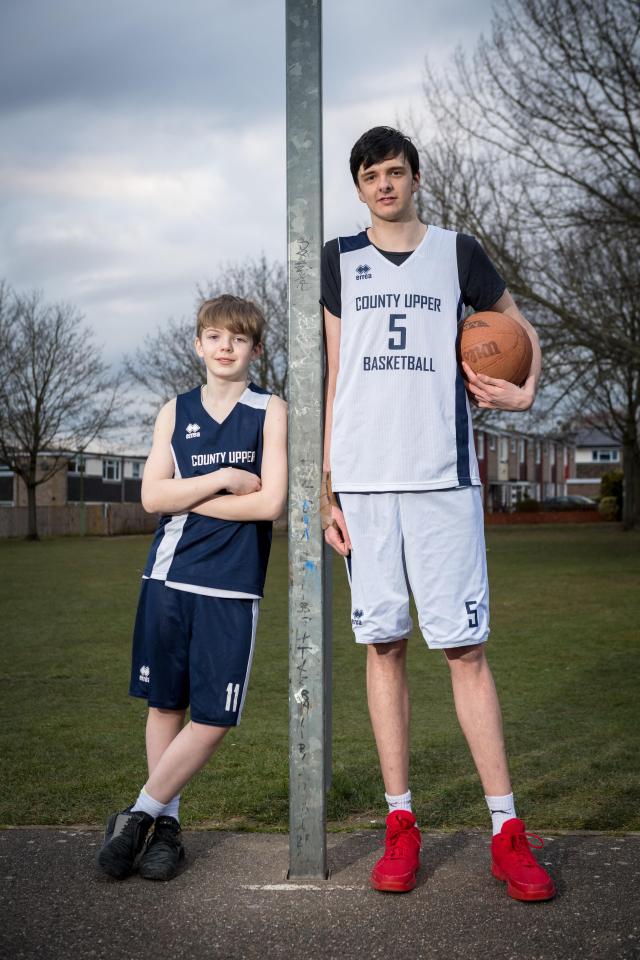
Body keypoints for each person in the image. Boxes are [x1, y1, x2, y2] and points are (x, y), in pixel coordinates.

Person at [320, 126, 555, 900]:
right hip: (362, 476)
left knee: (464, 650)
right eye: (369, 175)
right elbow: (334, 375)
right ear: (358, 188)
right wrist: (324, 487)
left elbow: (523, 332)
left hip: (441, 474)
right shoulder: (338, 261)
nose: (383, 185)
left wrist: (526, 390)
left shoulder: (459, 253)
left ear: (416, 178)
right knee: (384, 644)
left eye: (394, 172)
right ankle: (400, 822)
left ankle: (507, 830)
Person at [97, 294, 287, 881]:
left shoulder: (271, 410)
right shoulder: (173, 412)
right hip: (168, 575)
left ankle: (137, 814)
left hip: (231, 585)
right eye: (214, 336)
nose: (225, 347)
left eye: (238, 338)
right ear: (198, 344)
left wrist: (193, 496)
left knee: (214, 717)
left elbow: (272, 504)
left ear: (256, 349)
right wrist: (226, 480)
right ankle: (166, 829)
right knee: (165, 704)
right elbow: (152, 497)